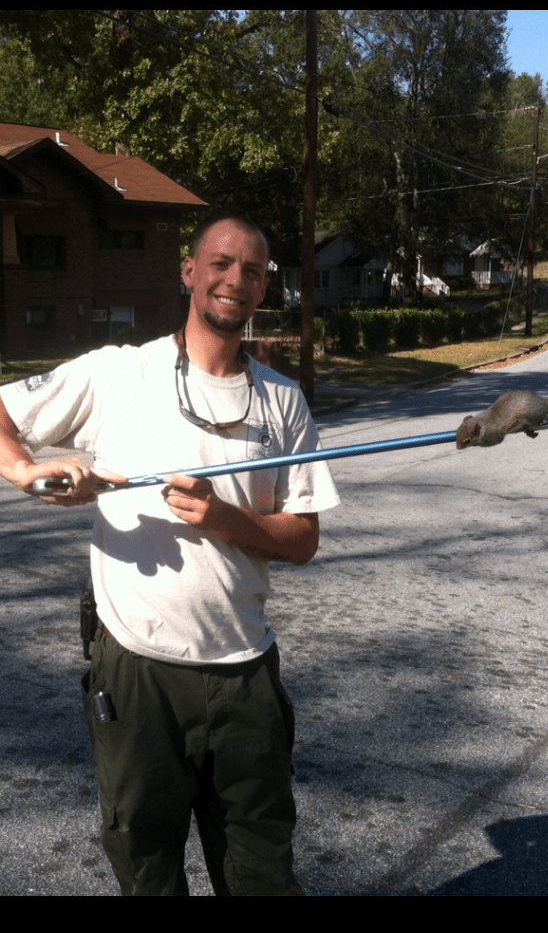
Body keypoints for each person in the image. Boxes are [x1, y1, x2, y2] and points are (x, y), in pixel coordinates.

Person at [0, 214, 340, 896]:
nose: (234, 280)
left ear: (264, 286)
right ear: (189, 271)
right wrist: (23, 471)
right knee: (147, 867)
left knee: (262, 872)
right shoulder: (120, 373)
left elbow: (302, 539)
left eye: (251, 270)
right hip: (136, 673)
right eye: (220, 263)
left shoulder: (283, 402)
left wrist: (225, 518)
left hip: (245, 675)